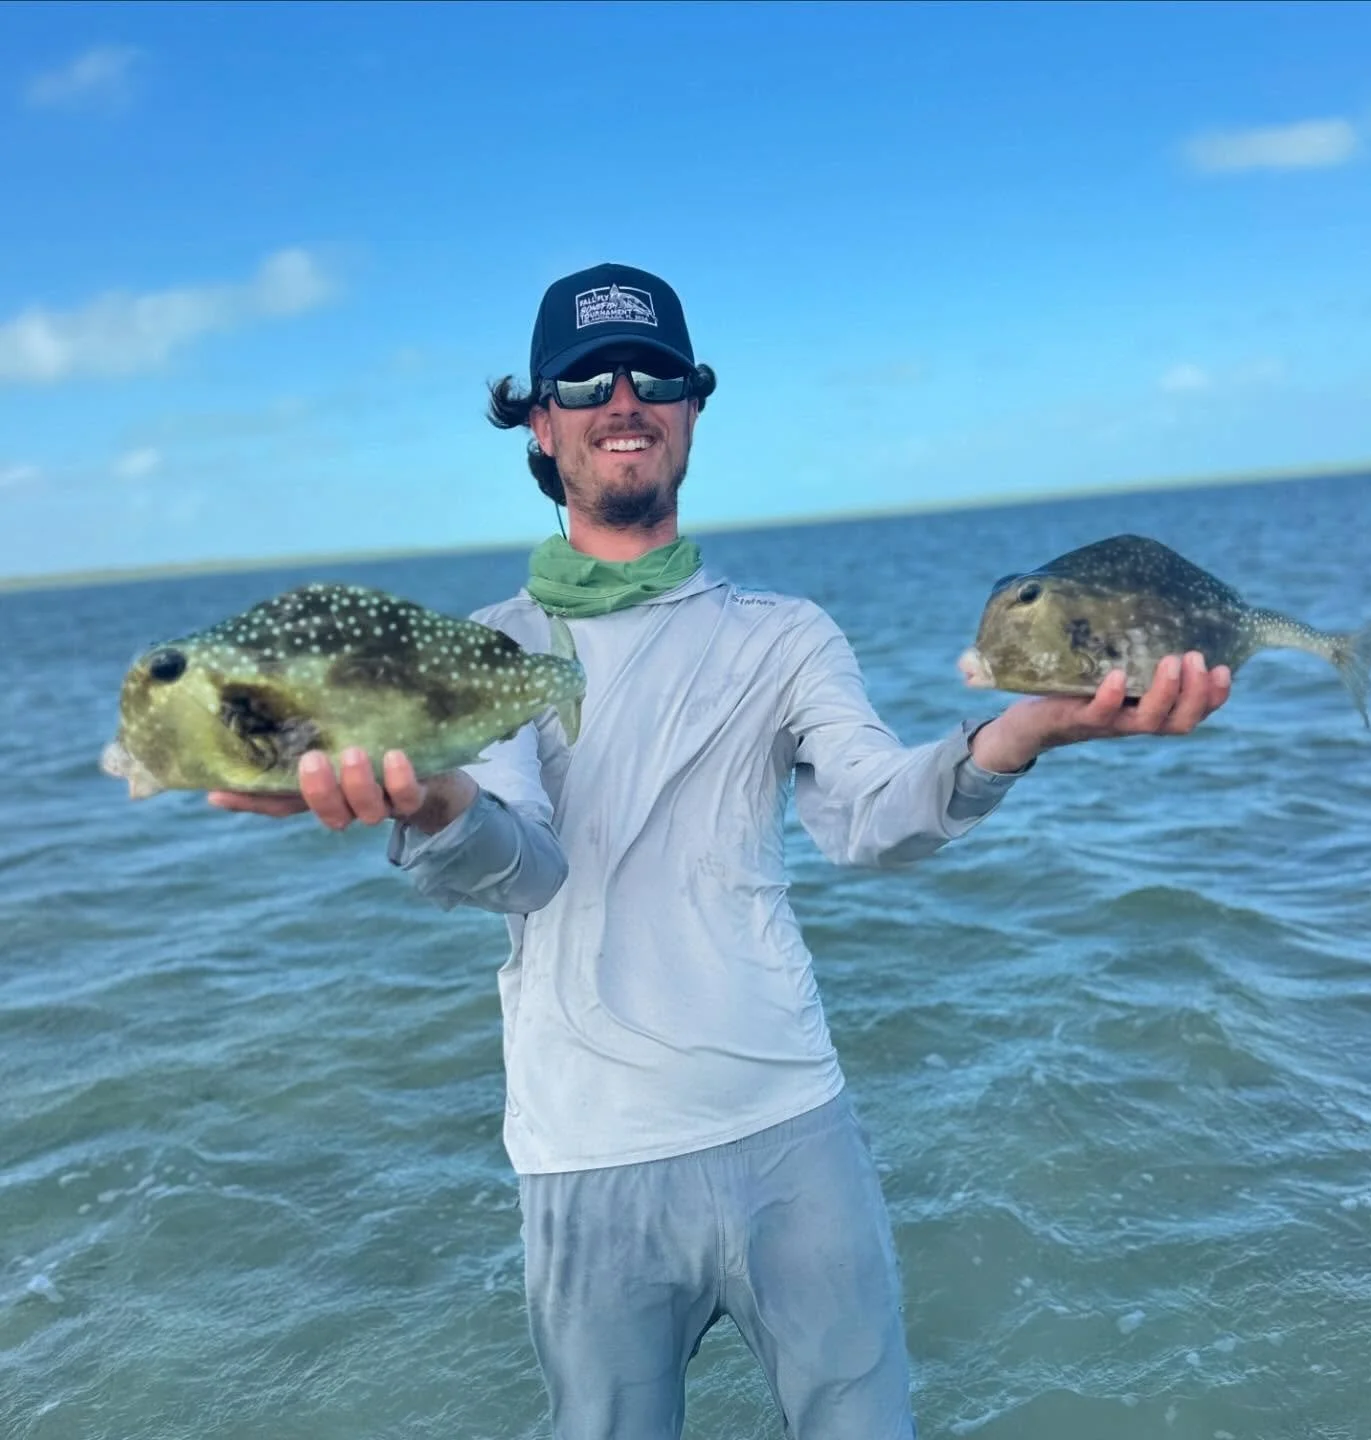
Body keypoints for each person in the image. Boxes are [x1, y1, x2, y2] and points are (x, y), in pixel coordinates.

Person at [212, 263, 1230, 1438]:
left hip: (794, 1131)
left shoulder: (786, 634)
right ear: (540, 422)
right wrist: (424, 802)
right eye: (584, 378)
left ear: (694, 403)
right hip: (584, 1154)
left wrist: (1023, 731)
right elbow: (527, 870)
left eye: (654, 372)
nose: (622, 396)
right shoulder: (483, 652)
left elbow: (872, 818)